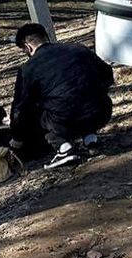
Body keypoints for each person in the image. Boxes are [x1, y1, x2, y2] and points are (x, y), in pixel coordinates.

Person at [10, 23, 114, 169]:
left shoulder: (29, 69)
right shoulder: (78, 49)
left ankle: (64, 148)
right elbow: (108, 75)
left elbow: (20, 109)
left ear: (27, 47)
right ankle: (91, 139)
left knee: (34, 108)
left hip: (64, 121)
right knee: (80, 96)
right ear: (47, 37)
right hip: (101, 112)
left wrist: (17, 137)